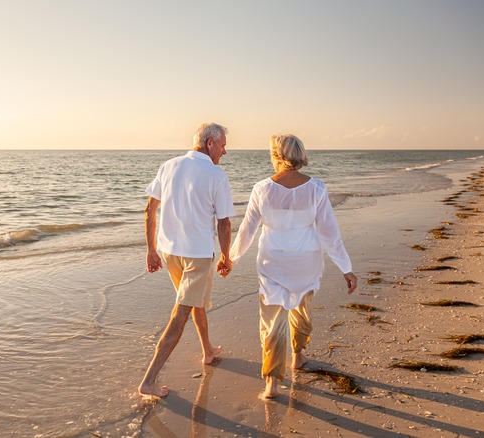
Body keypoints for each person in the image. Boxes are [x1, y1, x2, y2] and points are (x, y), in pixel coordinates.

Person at [229, 134, 358, 399]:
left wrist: (230, 259)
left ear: (276, 155)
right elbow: (329, 234)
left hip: (272, 262)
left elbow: (247, 232)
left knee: (272, 322)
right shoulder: (317, 188)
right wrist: (346, 268)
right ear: (299, 154)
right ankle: (298, 357)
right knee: (301, 311)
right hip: (306, 262)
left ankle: (272, 384)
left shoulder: (262, 189)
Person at [138, 123, 235, 398]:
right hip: (197, 256)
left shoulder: (168, 165)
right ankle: (149, 380)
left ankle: (207, 350)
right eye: (223, 145)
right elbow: (224, 223)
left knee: (194, 301)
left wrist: (151, 250)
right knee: (181, 312)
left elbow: (149, 210)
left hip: (169, 252)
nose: (225, 151)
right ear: (209, 144)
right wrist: (226, 256)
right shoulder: (216, 175)